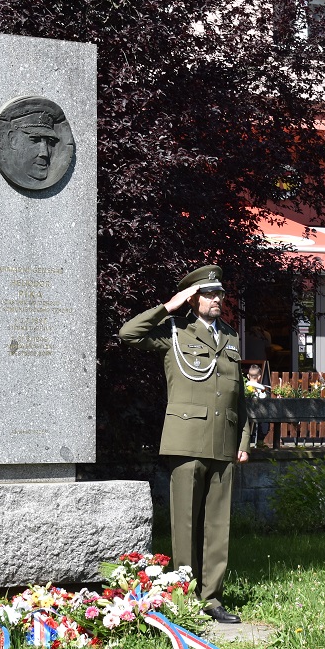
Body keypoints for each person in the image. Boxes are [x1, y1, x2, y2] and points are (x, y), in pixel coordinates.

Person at [119, 264, 250, 624]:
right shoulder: (174, 331)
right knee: (186, 523)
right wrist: (168, 307)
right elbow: (128, 334)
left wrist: (244, 438)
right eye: (209, 294)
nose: (217, 299)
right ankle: (184, 595)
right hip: (187, 440)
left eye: (220, 294)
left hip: (224, 439)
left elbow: (240, 395)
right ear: (193, 297)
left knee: (217, 526)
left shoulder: (230, 336)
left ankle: (212, 598)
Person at [245, 363, 271, 447]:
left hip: (246, 413)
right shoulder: (261, 388)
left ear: (248, 376)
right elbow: (264, 400)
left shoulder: (245, 386)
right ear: (259, 377)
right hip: (258, 414)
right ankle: (260, 440)